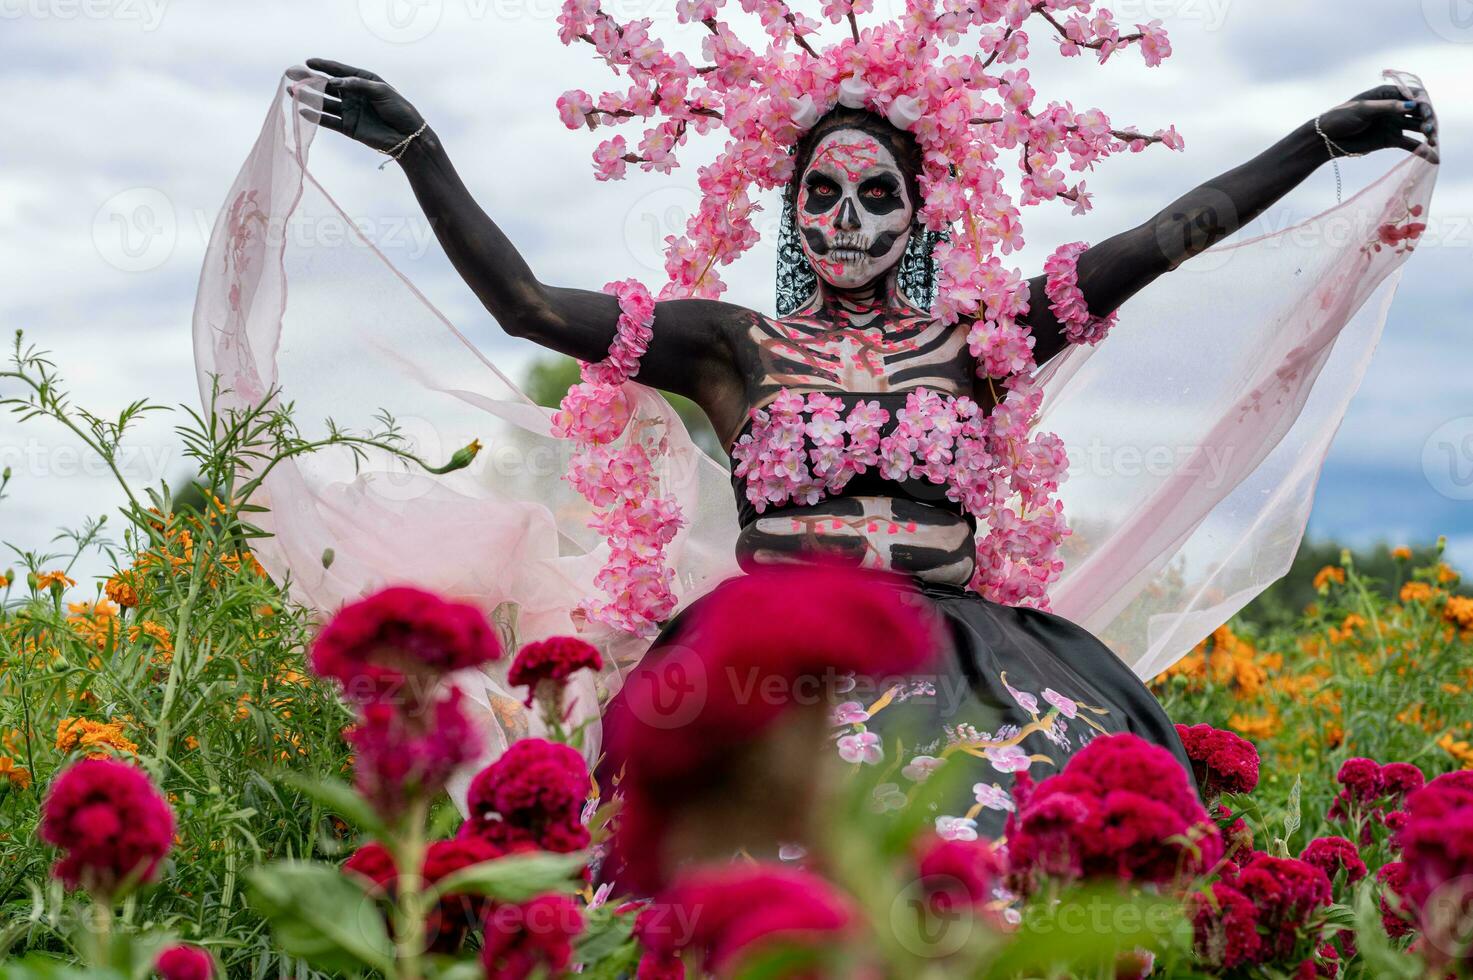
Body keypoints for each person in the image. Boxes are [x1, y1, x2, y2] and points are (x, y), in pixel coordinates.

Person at [276, 55, 1435, 828]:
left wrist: (1316, 140)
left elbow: (1162, 239)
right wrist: (419, 150)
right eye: (820, 199)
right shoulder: (731, 344)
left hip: (967, 657)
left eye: (874, 196)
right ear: (791, 218)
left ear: (916, 213)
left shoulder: (981, 340)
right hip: (761, 652)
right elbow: (528, 304)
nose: (845, 222)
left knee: (1025, 836)